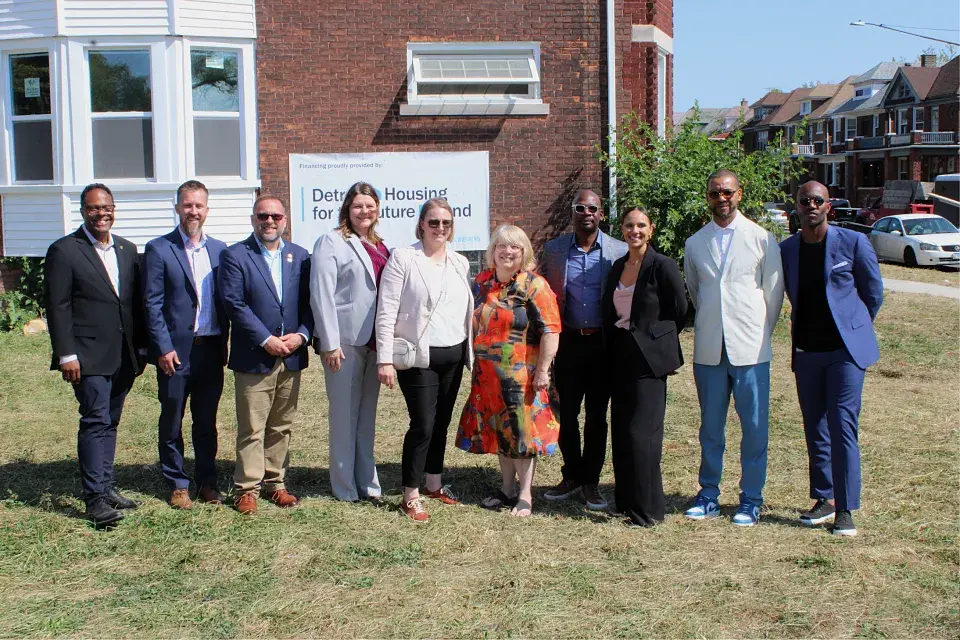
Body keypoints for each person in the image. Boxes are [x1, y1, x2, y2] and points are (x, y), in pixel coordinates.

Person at [780, 181, 883, 537]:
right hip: (807, 352)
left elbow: (873, 293)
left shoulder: (853, 242)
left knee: (842, 426)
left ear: (828, 206)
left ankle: (846, 508)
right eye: (804, 201)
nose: (810, 205)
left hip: (845, 353)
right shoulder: (787, 249)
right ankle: (824, 498)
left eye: (817, 200)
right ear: (796, 206)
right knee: (815, 428)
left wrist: (854, 327)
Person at [683, 169, 784, 526]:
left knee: (754, 428)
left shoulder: (762, 238)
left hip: (751, 348)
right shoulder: (695, 243)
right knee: (711, 428)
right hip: (710, 348)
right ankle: (708, 494)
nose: (721, 198)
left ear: (739, 194)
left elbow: (774, 293)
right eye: (715, 193)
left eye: (727, 192)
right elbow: (696, 291)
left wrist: (758, 333)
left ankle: (751, 499)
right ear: (707, 197)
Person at [44, 183, 146, 527]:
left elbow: (132, 303)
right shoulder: (64, 250)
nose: (101, 214)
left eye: (106, 208)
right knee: (95, 421)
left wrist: (141, 349)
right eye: (93, 208)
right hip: (86, 355)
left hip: (122, 354)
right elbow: (58, 306)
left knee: (110, 421)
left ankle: (106, 486)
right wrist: (66, 354)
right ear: (83, 211)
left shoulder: (127, 249)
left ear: (113, 209)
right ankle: (94, 501)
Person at [376, 198, 473, 522]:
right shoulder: (404, 258)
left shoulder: (460, 262)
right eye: (434, 222)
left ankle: (434, 483)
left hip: (454, 356)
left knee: (442, 422)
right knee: (423, 424)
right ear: (421, 224)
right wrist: (384, 359)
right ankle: (411, 494)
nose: (440, 228)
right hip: (419, 358)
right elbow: (386, 309)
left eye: (446, 223)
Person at [456, 225, 561, 517]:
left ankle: (525, 496)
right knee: (500, 431)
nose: (507, 251)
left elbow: (551, 330)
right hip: (487, 376)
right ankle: (506, 489)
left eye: (515, 246)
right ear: (493, 250)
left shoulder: (534, 285)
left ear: (524, 252)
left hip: (522, 376)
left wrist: (543, 371)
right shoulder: (482, 282)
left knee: (521, 433)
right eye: (502, 245)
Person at [218, 195, 313, 515]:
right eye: (262, 216)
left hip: (291, 355)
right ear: (253, 220)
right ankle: (247, 488)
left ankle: (276, 483)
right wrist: (265, 339)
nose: (269, 221)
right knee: (252, 427)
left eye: (275, 216)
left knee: (282, 425)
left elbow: (309, 303)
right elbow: (234, 304)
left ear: (285, 220)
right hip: (254, 357)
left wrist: (302, 335)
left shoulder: (300, 256)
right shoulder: (235, 255)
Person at [143, 180, 230, 510]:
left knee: (206, 421)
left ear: (207, 210)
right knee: (172, 418)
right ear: (178, 207)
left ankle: (207, 481)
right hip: (175, 352)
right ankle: (177, 483)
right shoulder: (159, 249)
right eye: (188, 205)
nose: (193, 211)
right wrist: (163, 348)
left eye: (199, 205)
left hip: (210, 349)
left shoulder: (219, 250)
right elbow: (151, 304)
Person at [541, 189, 627, 510]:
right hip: (568, 343)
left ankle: (591, 481)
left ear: (601, 214)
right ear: (573, 213)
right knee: (566, 413)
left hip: (602, 344)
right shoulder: (554, 250)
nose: (587, 213)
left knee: (597, 416)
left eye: (593, 208)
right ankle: (571, 475)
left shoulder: (618, 250)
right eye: (581, 207)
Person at [602, 207, 687, 527]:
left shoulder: (662, 266)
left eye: (641, 225)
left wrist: (656, 340)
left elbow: (680, 309)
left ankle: (648, 510)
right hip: (619, 355)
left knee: (643, 434)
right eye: (629, 225)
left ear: (650, 230)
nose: (634, 231)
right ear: (622, 229)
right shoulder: (618, 266)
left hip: (649, 359)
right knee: (622, 431)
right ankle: (625, 501)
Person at [310, 182, 388, 503]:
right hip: (343, 344)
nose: (364, 211)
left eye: (369, 205)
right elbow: (321, 293)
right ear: (347, 209)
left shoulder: (380, 245)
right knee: (344, 418)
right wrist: (329, 342)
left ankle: (368, 485)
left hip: (373, 343)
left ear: (377, 209)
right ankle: (345, 488)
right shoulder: (331, 241)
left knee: (366, 418)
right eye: (358, 206)